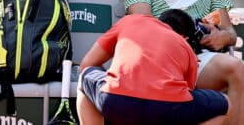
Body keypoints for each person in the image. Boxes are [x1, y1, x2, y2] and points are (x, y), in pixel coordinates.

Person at [77, 9, 231, 125]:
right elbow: (186, 93)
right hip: (167, 108)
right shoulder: (186, 48)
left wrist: (109, 80)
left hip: (116, 100)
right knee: (226, 105)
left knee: (85, 75)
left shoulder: (130, 21)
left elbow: (86, 64)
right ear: (185, 37)